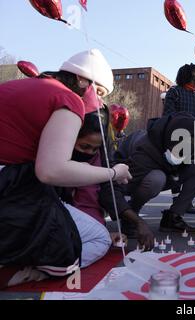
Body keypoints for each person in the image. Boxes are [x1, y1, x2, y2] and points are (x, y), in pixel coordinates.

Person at [0, 49, 132, 288]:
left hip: (11, 184)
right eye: (99, 92)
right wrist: (115, 172)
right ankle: (24, 270)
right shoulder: (69, 99)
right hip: (9, 188)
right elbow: (51, 170)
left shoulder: (24, 88)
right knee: (96, 239)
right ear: (81, 80)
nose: (99, 103)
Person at [63, 112, 154, 251]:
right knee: (99, 242)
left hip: (91, 220)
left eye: (94, 149)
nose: (89, 153)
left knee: (101, 240)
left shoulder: (99, 159)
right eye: (84, 147)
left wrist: (138, 222)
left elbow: (110, 192)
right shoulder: (59, 163)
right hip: (61, 217)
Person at [120, 112, 195, 234]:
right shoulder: (144, 149)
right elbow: (117, 188)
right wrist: (128, 214)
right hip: (133, 178)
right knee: (157, 178)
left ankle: (173, 217)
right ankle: (131, 215)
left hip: (166, 173)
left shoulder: (188, 142)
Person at [163, 64, 195, 214]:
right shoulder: (174, 92)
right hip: (177, 139)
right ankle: (178, 201)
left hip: (194, 140)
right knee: (176, 172)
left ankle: (184, 201)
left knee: (191, 172)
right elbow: (168, 116)